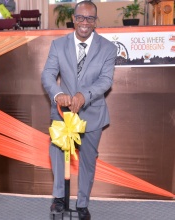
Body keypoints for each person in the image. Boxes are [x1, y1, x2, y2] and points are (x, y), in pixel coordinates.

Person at [41, 1, 117, 220]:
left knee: (87, 161)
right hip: (62, 112)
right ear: (73, 19)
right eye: (81, 18)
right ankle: (58, 199)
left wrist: (85, 96)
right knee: (56, 154)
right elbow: (48, 74)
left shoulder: (108, 48)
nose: (85, 23)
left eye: (90, 18)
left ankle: (82, 204)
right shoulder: (58, 45)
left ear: (95, 21)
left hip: (92, 112)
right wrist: (57, 95)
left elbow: (105, 80)